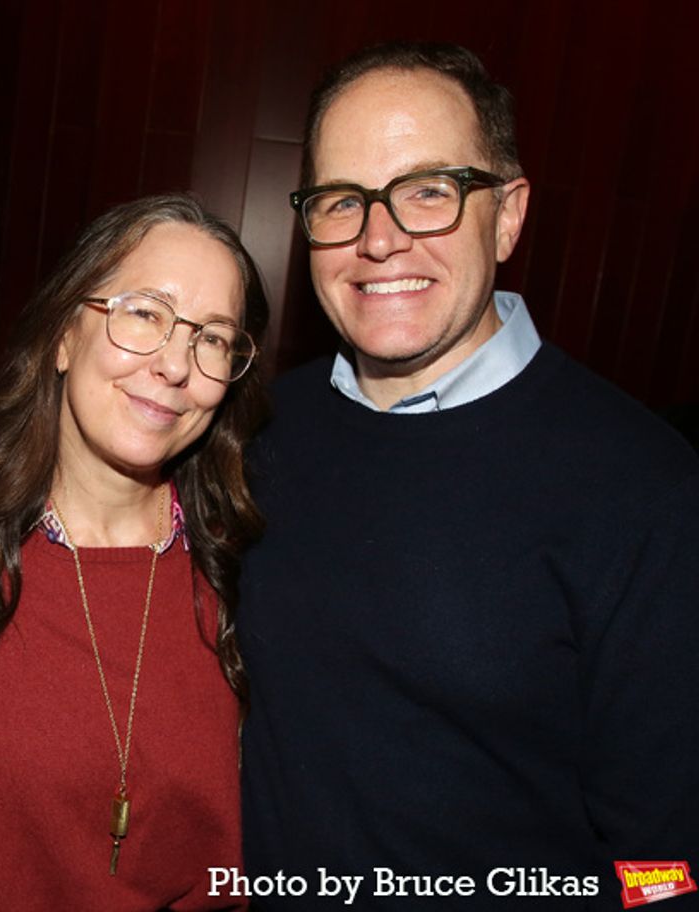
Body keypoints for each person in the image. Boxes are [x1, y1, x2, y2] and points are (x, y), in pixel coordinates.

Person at [236, 41, 699, 909]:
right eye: (343, 201)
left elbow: (672, 870)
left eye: (428, 192)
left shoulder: (647, 492)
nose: (379, 238)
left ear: (509, 215)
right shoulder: (259, 433)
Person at [0, 193, 269, 910]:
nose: (175, 365)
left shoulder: (253, 575)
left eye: (212, 338)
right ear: (63, 335)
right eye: (144, 312)